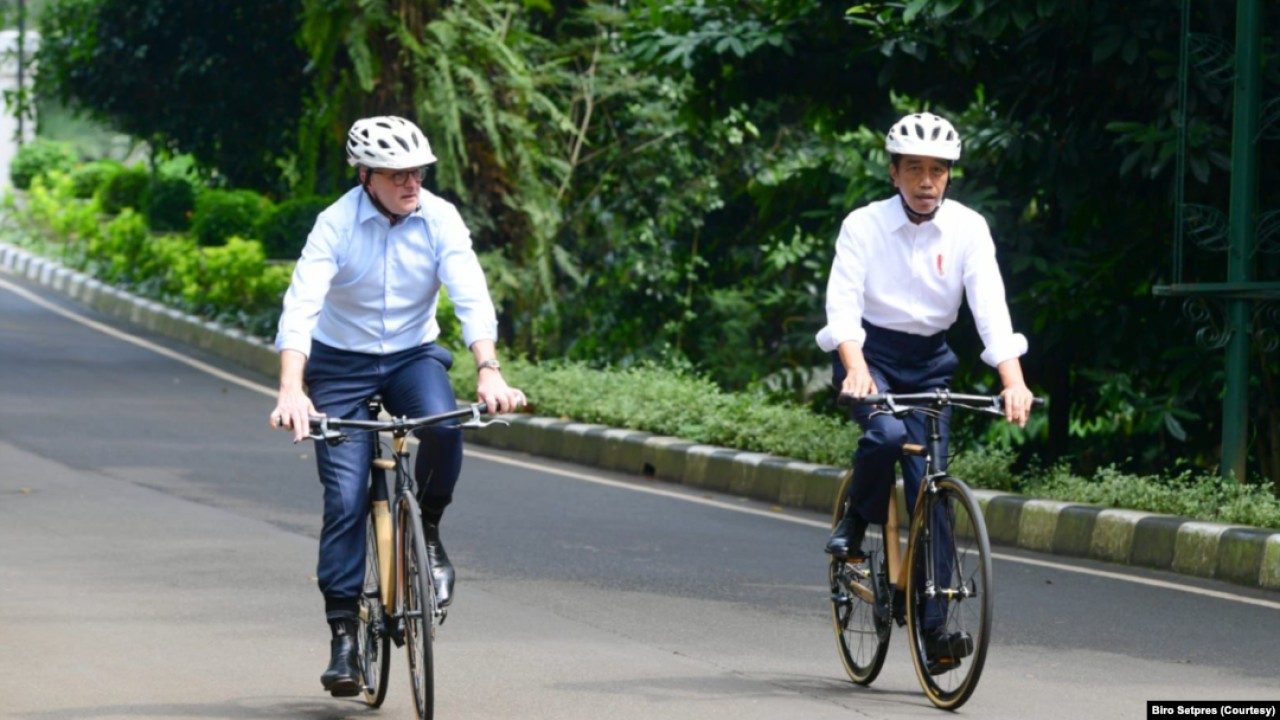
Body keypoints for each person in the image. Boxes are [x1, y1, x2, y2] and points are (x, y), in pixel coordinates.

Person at [268, 115, 526, 697]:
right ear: (366, 177)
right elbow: (301, 305)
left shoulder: (440, 218)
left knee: (444, 429)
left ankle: (427, 532)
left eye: (418, 172)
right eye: (397, 175)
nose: (412, 183)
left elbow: (469, 293)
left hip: (413, 356)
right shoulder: (334, 224)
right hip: (339, 364)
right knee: (344, 496)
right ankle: (342, 637)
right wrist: (293, 388)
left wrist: (490, 369)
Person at [815, 111, 1034, 670]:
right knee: (885, 435)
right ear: (893, 173)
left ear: (949, 176)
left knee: (930, 490)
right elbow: (842, 306)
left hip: (931, 363)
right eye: (914, 168)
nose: (926, 181)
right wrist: (857, 369)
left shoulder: (968, 228)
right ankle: (855, 524)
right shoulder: (863, 225)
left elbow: (991, 308)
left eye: (937, 170)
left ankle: (935, 634)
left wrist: (1014, 382)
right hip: (872, 356)